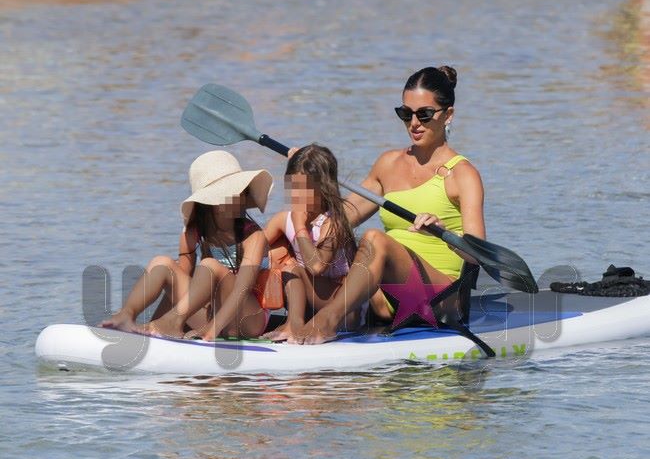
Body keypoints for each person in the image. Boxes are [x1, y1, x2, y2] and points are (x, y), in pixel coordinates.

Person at [292, 66, 486, 344]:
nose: (414, 123)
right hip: (385, 298)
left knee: (374, 239)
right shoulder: (388, 164)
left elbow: (478, 253)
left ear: (448, 115)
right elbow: (338, 218)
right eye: (406, 114)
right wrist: (308, 170)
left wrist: (443, 231)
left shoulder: (463, 174)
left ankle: (325, 322)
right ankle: (269, 317)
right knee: (303, 234)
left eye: (424, 114)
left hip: (442, 301)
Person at [102, 150, 274, 340]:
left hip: (249, 320)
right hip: (212, 313)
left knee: (209, 265)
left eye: (240, 190)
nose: (239, 197)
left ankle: (172, 322)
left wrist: (213, 327)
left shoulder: (253, 236)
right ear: (209, 202)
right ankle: (127, 315)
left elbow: (243, 288)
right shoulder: (192, 234)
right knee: (162, 263)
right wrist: (155, 325)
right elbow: (177, 289)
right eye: (229, 192)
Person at [262, 144, 359, 343]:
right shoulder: (283, 219)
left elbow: (316, 267)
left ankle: (293, 325)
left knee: (293, 269)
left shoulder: (333, 223)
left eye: (304, 189)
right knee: (274, 254)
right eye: (293, 187)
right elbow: (250, 251)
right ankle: (287, 320)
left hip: (344, 310)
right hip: (310, 304)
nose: (297, 196)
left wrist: (300, 227)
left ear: (323, 188)